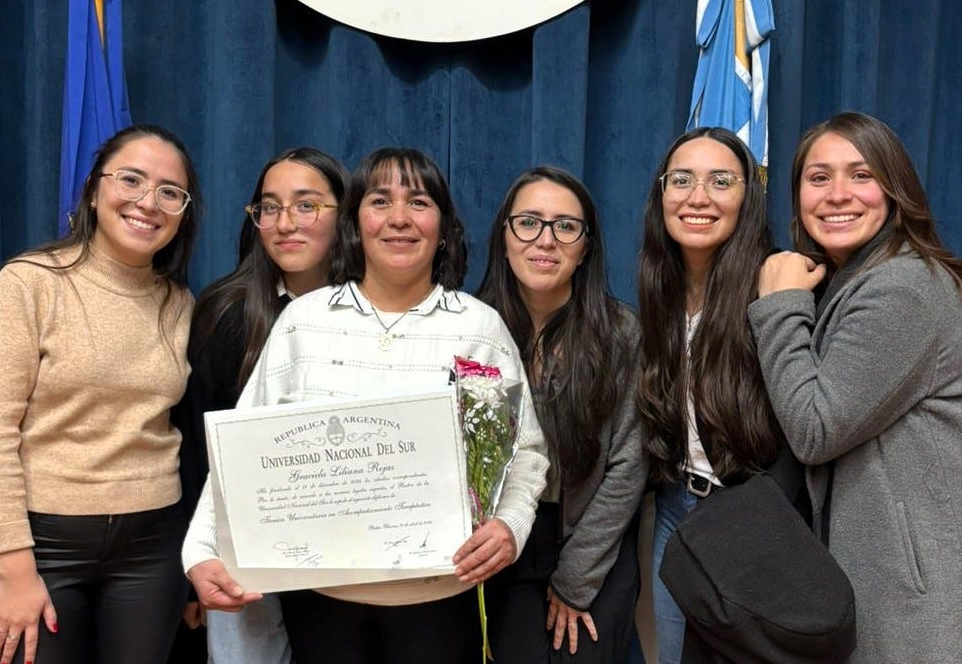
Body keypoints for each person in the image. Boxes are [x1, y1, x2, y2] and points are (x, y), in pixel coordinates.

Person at [182, 147, 548, 664]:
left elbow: (526, 453)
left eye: (418, 202)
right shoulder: (303, 324)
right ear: (356, 222)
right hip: (323, 603)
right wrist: (199, 551)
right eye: (380, 201)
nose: (399, 218)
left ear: (443, 226)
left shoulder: (478, 327)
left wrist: (510, 524)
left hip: (441, 600)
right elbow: (241, 456)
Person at [749, 111, 962, 663]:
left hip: (946, 590)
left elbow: (815, 429)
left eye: (861, 175)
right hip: (915, 580)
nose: (838, 194)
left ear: (895, 190)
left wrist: (778, 306)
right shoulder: (855, 283)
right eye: (819, 178)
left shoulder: (901, 288)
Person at [0, 124, 202, 664]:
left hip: (152, 549)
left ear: (183, 211)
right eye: (131, 180)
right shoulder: (30, 283)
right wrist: (16, 567)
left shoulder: (179, 304)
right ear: (94, 189)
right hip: (44, 549)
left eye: (169, 192)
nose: (148, 202)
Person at [168, 148, 347, 664]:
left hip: (343, 558)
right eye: (269, 207)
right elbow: (193, 451)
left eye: (306, 205)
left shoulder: (371, 309)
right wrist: (194, 565)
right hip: (241, 558)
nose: (285, 223)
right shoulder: (228, 312)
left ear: (346, 214)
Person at [476, 167, 646, 663]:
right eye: (528, 222)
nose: (545, 240)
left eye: (565, 226)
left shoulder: (620, 334)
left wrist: (577, 578)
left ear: (586, 245)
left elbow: (628, 466)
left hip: (590, 543)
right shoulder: (470, 326)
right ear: (504, 236)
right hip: (499, 546)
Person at [633, 127, 783, 663]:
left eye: (721, 181)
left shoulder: (777, 285)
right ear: (661, 194)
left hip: (756, 517)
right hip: (677, 511)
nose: (699, 197)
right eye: (682, 180)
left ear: (749, 196)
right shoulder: (659, 294)